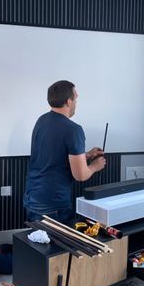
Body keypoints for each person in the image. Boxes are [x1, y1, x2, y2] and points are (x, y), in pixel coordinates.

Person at [23, 80, 106, 223]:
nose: (76, 103)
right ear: (68, 101)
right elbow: (80, 175)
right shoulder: (73, 129)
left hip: (32, 197)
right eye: (75, 99)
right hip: (54, 204)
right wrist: (95, 166)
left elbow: (54, 155)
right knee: (58, 245)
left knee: (37, 243)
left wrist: (86, 155)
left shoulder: (41, 121)